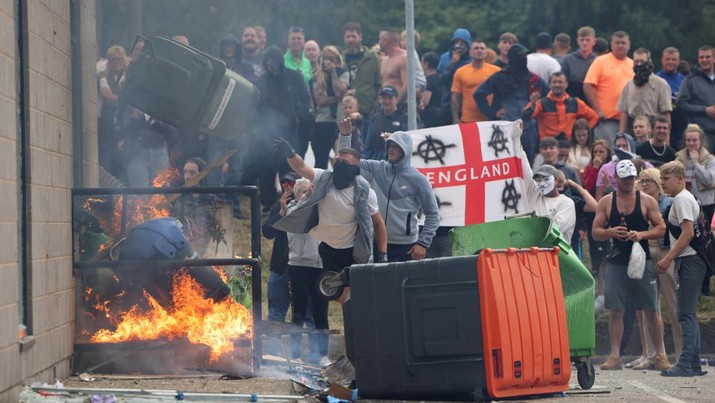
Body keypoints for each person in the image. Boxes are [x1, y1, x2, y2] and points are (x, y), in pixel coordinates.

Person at [592, 159, 670, 371]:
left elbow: (661, 228)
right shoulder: (607, 202)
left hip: (641, 259)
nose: (627, 183)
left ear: (633, 179)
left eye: (630, 179)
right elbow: (595, 232)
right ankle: (615, 355)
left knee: (651, 309)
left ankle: (660, 354)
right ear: (615, 178)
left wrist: (642, 234)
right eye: (623, 179)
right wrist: (610, 232)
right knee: (616, 309)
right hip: (616, 259)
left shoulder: (646, 201)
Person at [272, 138, 388, 268]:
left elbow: (378, 223)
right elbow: (302, 167)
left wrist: (383, 255)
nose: (339, 164)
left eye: (344, 162)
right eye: (337, 160)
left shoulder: (364, 192)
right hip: (327, 247)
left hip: (353, 251)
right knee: (330, 286)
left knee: (350, 287)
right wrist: (290, 153)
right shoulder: (323, 178)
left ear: (355, 169)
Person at [337, 119, 440, 262]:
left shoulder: (418, 179)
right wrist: (345, 135)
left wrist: (423, 243)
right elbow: (344, 163)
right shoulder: (377, 168)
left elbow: (433, 214)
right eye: (389, 145)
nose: (390, 149)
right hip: (378, 243)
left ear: (405, 150)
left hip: (407, 247)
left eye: (396, 146)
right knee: (379, 284)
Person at [657, 160, 710, 377]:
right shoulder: (685, 198)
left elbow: (687, 233)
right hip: (692, 260)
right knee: (688, 313)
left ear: (680, 179)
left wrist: (668, 258)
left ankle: (686, 364)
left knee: (685, 313)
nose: (663, 183)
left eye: (666, 179)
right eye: (661, 179)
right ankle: (694, 364)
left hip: (690, 260)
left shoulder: (681, 200)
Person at [474, 43, 549, 162]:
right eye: (520, 57)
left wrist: (537, 107)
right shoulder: (499, 77)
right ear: (512, 59)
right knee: (504, 162)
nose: (523, 59)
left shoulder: (533, 78)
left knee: (528, 163)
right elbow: (478, 94)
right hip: (504, 126)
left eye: (524, 56)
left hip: (528, 127)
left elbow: (548, 95)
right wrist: (492, 113)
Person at [637, 168, 681, 364]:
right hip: (645, 254)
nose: (645, 184)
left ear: (657, 182)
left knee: (675, 306)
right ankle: (653, 355)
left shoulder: (669, 203)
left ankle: (682, 355)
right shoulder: (637, 203)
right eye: (643, 181)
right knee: (648, 307)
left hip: (666, 252)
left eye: (649, 181)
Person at [284, 179, 329, 366]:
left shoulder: (321, 210)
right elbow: (298, 218)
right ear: (296, 194)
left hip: (320, 266)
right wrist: (305, 199)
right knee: (299, 312)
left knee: (321, 312)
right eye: (302, 191)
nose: (307, 193)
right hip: (298, 265)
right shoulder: (292, 210)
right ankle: (295, 355)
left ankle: (321, 354)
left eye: (309, 190)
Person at [675, 123, 715, 296]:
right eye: (688, 140)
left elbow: (709, 180)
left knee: (706, 246)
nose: (691, 144)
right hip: (687, 206)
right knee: (687, 244)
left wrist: (697, 164)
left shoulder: (709, 159)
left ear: (701, 141)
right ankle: (687, 285)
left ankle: (705, 285)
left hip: (706, 206)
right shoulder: (679, 158)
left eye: (695, 140)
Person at [261, 172, 301, 322]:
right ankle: (274, 346)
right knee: (275, 315)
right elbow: (267, 232)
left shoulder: (310, 206)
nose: (286, 187)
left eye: (290, 183)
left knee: (300, 315)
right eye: (284, 183)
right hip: (279, 268)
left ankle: (298, 345)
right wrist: (281, 212)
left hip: (301, 268)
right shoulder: (278, 206)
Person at [584, 31, 634, 145]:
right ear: (611, 45)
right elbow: (587, 85)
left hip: (629, 120)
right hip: (607, 119)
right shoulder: (600, 61)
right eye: (617, 43)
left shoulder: (633, 64)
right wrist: (598, 110)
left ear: (629, 45)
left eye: (623, 43)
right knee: (607, 153)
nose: (620, 45)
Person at [522, 71, 598, 140]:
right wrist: (532, 105)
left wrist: (582, 134)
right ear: (550, 84)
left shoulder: (576, 103)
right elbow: (525, 117)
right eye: (554, 82)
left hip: (569, 146)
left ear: (566, 84)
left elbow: (594, 117)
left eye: (560, 82)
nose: (557, 85)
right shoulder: (541, 103)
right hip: (548, 146)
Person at [310, 46, 349, 169]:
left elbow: (338, 91)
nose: (329, 61)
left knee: (343, 159)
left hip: (339, 121)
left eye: (332, 58)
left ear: (338, 59)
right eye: (326, 58)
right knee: (321, 161)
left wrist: (333, 73)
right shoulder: (316, 77)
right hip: (322, 121)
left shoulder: (343, 73)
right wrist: (339, 97)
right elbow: (320, 101)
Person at [618, 48, 672, 135]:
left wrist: (666, 139)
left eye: (642, 61)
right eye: (636, 61)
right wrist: (620, 135)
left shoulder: (661, 84)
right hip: (633, 129)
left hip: (653, 130)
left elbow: (666, 113)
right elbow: (624, 113)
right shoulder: (629, 85)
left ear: (648, 61)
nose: (639, 64)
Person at [520, 162, 576, 241]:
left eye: (546, 179)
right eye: (539, 180)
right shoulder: (534, 194)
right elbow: (524, 169)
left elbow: (555, 229)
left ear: (556, 181)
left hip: (557, 252)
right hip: (534, 250)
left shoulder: (567, 203)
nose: (542, 184)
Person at [450, 40, 500, 123]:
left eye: (482, 48)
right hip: (467, 120)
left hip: (490, 119)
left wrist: (502, 109)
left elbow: (504, 93)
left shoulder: (496, 71)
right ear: (470, 52)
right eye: (476, 48)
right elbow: (455, 97)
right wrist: (455, 119)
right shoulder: (460, 72)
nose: (479, 50)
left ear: (486, 52)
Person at [677, 45, 715, 153]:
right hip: (701, 135)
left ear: (714, 58)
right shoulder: (690, 80)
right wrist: (704, 110)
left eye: (707, 57)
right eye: (701, 57)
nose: (704, 60)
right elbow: (681, 103)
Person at [342, 22, 382, 118]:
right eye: (348, 37)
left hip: (367, 110)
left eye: (353, 36)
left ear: (360, 37)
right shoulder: (341, 59)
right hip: (345, 111)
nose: (351, 40)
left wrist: (375, 107)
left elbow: (379, 84)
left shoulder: (372, 58)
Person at [363, 85, 408, 160]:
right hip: (376, 161)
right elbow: (368, 146)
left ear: (396, 99)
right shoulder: (375, 118)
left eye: (390, 98)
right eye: (384, 98)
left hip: (396, 162)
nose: (386, 101)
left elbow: (407, 144)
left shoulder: (404, 118)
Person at [657, 47, 687, 148]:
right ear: (662, 60)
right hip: (662, 121)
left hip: (679, 123)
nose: (670, 62)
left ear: (678, 61)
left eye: (673, 59)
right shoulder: (656, 79)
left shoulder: (684, 80)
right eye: (668, 59)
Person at [560, 26, 596, 102]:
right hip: (572, 98)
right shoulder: (568, 60)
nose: (585, 43)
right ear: (577, 41)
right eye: (582, 40)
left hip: (593, 98)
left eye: (588, 40)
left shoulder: (598, 60)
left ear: (594, 41)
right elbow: (562, 81)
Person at [379, 28, 408, 104]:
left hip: (398, 105)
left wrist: (396, 103)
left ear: (386, 41)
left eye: (380, 39)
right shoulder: (384, 61)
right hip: (385, 105)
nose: (379, 42)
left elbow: (407, 85)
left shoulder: (403, 58)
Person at [419, 51, 447, 128]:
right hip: (443, 113)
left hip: (431, 117)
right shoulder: (441, 78)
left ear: (426, 64)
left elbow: (424, 102)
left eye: (421, 62)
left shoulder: (428, 80)